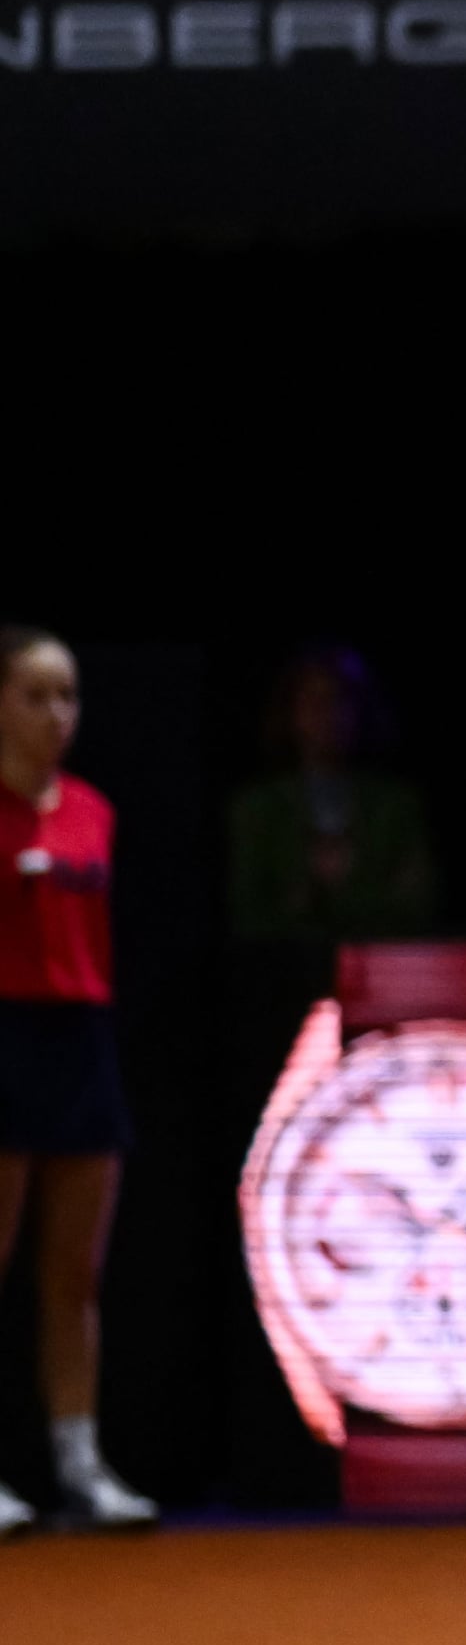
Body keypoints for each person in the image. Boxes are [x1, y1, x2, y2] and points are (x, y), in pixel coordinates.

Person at [0, 630, 154, 1531]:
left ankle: (79, 1466)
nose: (57, 715)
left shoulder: (95, 810)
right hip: (3, 1035)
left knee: (74, 1279)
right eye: (35, 696)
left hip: (81, 1042)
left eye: (68, 696)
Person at [227, 645, 437, 939]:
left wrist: (323, 899)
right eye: (314, 701)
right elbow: (247, 912)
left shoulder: (396, 806)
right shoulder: (258, 809)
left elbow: (415, 909)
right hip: (283, 972)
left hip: (376, 967)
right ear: (292, 712)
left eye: (340, 700)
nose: (327, 714)